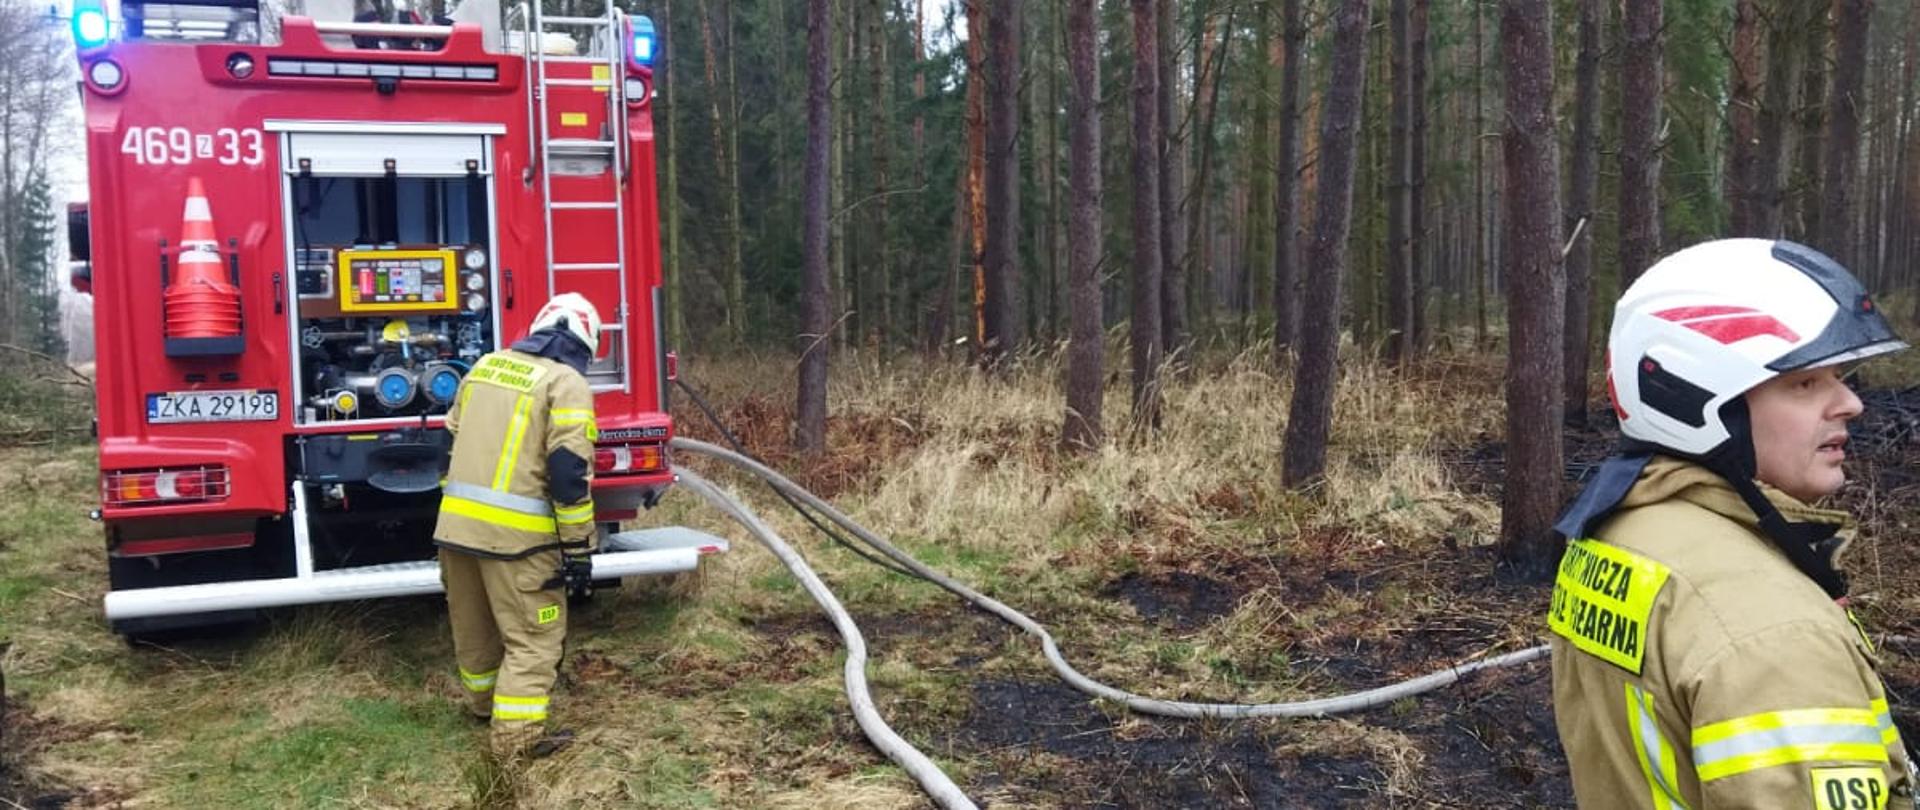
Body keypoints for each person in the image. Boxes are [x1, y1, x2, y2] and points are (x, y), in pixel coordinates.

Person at [1549, 238, 1916, 808]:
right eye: (1805, 382)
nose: (1851, 403)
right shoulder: (1774, 634)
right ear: (1692, 397)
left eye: (1840, 377)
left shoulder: (1627, 530)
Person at [434, 293, 601, 760]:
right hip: (521, 545)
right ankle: (517, 742)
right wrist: (578, 551)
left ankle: (484, 707)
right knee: (534, 640)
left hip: (456, 533)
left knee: (476, 630)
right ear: (583, 345)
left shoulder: (485, 366)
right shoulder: (565, 383)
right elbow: (569, 473)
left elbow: (446, 447)